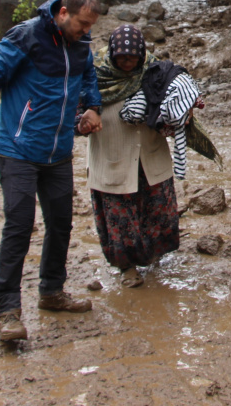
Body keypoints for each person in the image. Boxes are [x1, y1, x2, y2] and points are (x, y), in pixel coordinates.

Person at [0, 0, 106, 343]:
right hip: (17, 149)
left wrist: (92, 106)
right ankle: (7, 309)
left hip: (58, 150)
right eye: (82, 24)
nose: (86, 32)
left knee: (61, 223)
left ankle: (51, 292)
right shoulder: (26, 38)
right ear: (63, 13)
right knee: (19, 226)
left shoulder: (80, 42)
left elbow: (88, 75)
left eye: (90, 26)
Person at [86, 25, 184, 288]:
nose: (127, 62)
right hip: (112, 160)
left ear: (142, 55)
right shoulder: (93, 78)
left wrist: (169, 117)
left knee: (155, 211)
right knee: (120, 218)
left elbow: (175, 112)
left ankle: (151, 256)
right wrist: (84, 122)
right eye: (121, 57)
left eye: (132, 57)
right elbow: (73, 116)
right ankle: (126, 267)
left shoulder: (155, 74)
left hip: (149, 159)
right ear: (112, 55)